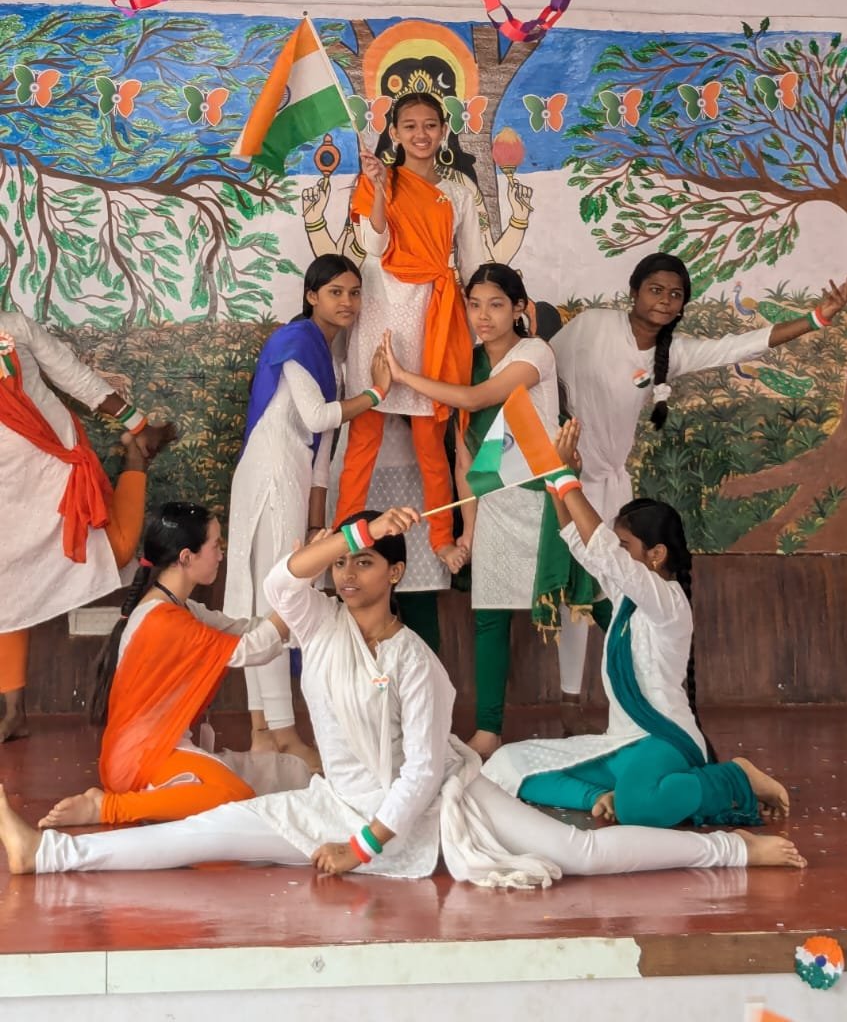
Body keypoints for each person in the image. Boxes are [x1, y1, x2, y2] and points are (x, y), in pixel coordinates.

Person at [0, 508, 805, 882]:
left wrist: (363, 848)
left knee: (579, 855)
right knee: (204, 833)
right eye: (344, 564)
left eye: (364, 563)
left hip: (431, 811)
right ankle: (50, 855)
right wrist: (350, 533)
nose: (348, 576)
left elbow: (423, 769)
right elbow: (283, 581)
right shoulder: (319, 625)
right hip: (333, 807)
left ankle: (732, 850)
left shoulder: (419, 662)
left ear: (395, 575)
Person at [550, 253, 847, 703]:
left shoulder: (670, 353)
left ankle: (642, 699)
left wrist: (816, 318)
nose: (665, 300)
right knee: (567, 592)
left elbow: (739, 346)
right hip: (561, 473)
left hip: (610, 487)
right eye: (656, 290)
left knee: (618, 592)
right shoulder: (591, 325)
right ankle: (570, 701)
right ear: (634, 292)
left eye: (675, 295)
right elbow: (540, 370)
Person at [485, 437, 790, 831]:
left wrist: (564, 477)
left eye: (625, 545)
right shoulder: (625, 595)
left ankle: (735, 777)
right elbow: (581, 544)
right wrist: (557, 481)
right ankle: (598, 798)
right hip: (620, 744)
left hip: (663, 740)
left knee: (639, 808)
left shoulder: (668, 601)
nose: (616, 552)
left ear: (656, 554)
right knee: (505, 765)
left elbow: (604, 553)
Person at [379, 263, 560, 760]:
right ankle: (488, 731)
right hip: (496, 503)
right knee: (489, 618)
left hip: (546, 498)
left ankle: (638, 705)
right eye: (475, 304)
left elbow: (477, 399)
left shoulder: (534, 353)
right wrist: (468, 535)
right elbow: (466, 457)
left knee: (598, 602)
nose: (483, 316)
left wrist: (403, 377)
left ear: (519, 308)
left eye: (496, 305)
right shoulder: (468, 359)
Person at [38, 491, 297, 831]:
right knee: (236, 798)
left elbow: (248, 631)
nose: (221, 554)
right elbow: (253, 649)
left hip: (157, 750)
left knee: (291, 775)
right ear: (187, 557)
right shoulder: (164, 620)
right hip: (142, 759)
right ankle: (109, 807)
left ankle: (163, 796)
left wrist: (307, 611)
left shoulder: (177, 607)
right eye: (216, 546)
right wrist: (296, 585)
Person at [224, 254, 392, 760]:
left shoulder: (330, 359)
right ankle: (282, 732)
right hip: (271, 472)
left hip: (294, 475)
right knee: (274, 600)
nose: (347, 302)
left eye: (355, 293)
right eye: (336, 292)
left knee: (272, 597)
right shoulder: (295, 342)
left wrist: (318, 521)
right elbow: (319, 418)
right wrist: (377, 392)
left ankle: (263, 732)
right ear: (311, 296)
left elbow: (322, 458)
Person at [0, 310, 172, 743]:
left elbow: (70, 374)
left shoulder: (14, 326)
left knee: (113, 553)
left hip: (54, 464)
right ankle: (14, 712)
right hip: (5, 488)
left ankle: (136, 458)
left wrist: (137, 424)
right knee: (5, 591)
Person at [334, 92, 484, 576]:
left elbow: (473, 262)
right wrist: (380, 188)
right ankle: (342, 537)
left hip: (431, 315)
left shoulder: (459, 191)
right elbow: (373, 245)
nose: (421, 134)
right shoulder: (379, 178)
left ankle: (442, 539)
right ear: (394, 132)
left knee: (431, 444)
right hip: (381, 308)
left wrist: (489, 316)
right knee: (364, 438)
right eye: (411, 126)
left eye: (430, 125)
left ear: (443, 130)